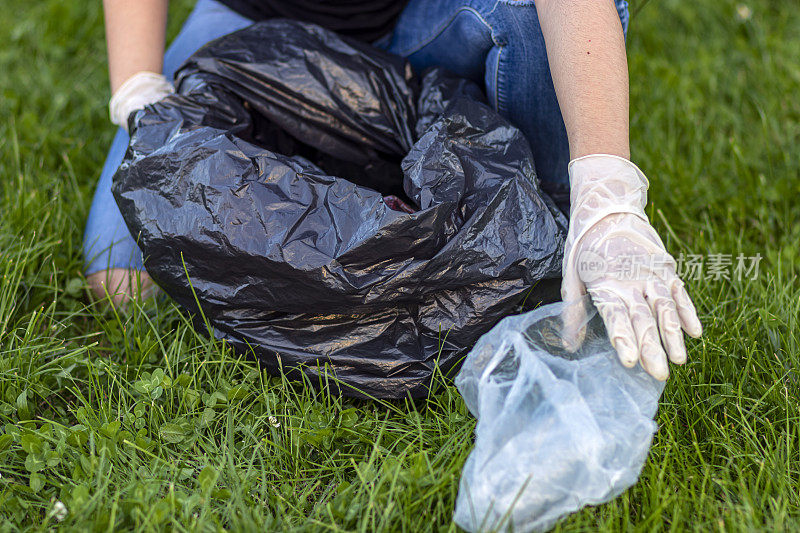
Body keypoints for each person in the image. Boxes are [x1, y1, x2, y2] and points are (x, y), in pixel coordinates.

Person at [84, 0, 702, 380]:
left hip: (416, 16)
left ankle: (545, 229)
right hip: (249, 21)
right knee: (124, 282)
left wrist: (607, 185)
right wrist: (140, 88)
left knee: (522, 7)